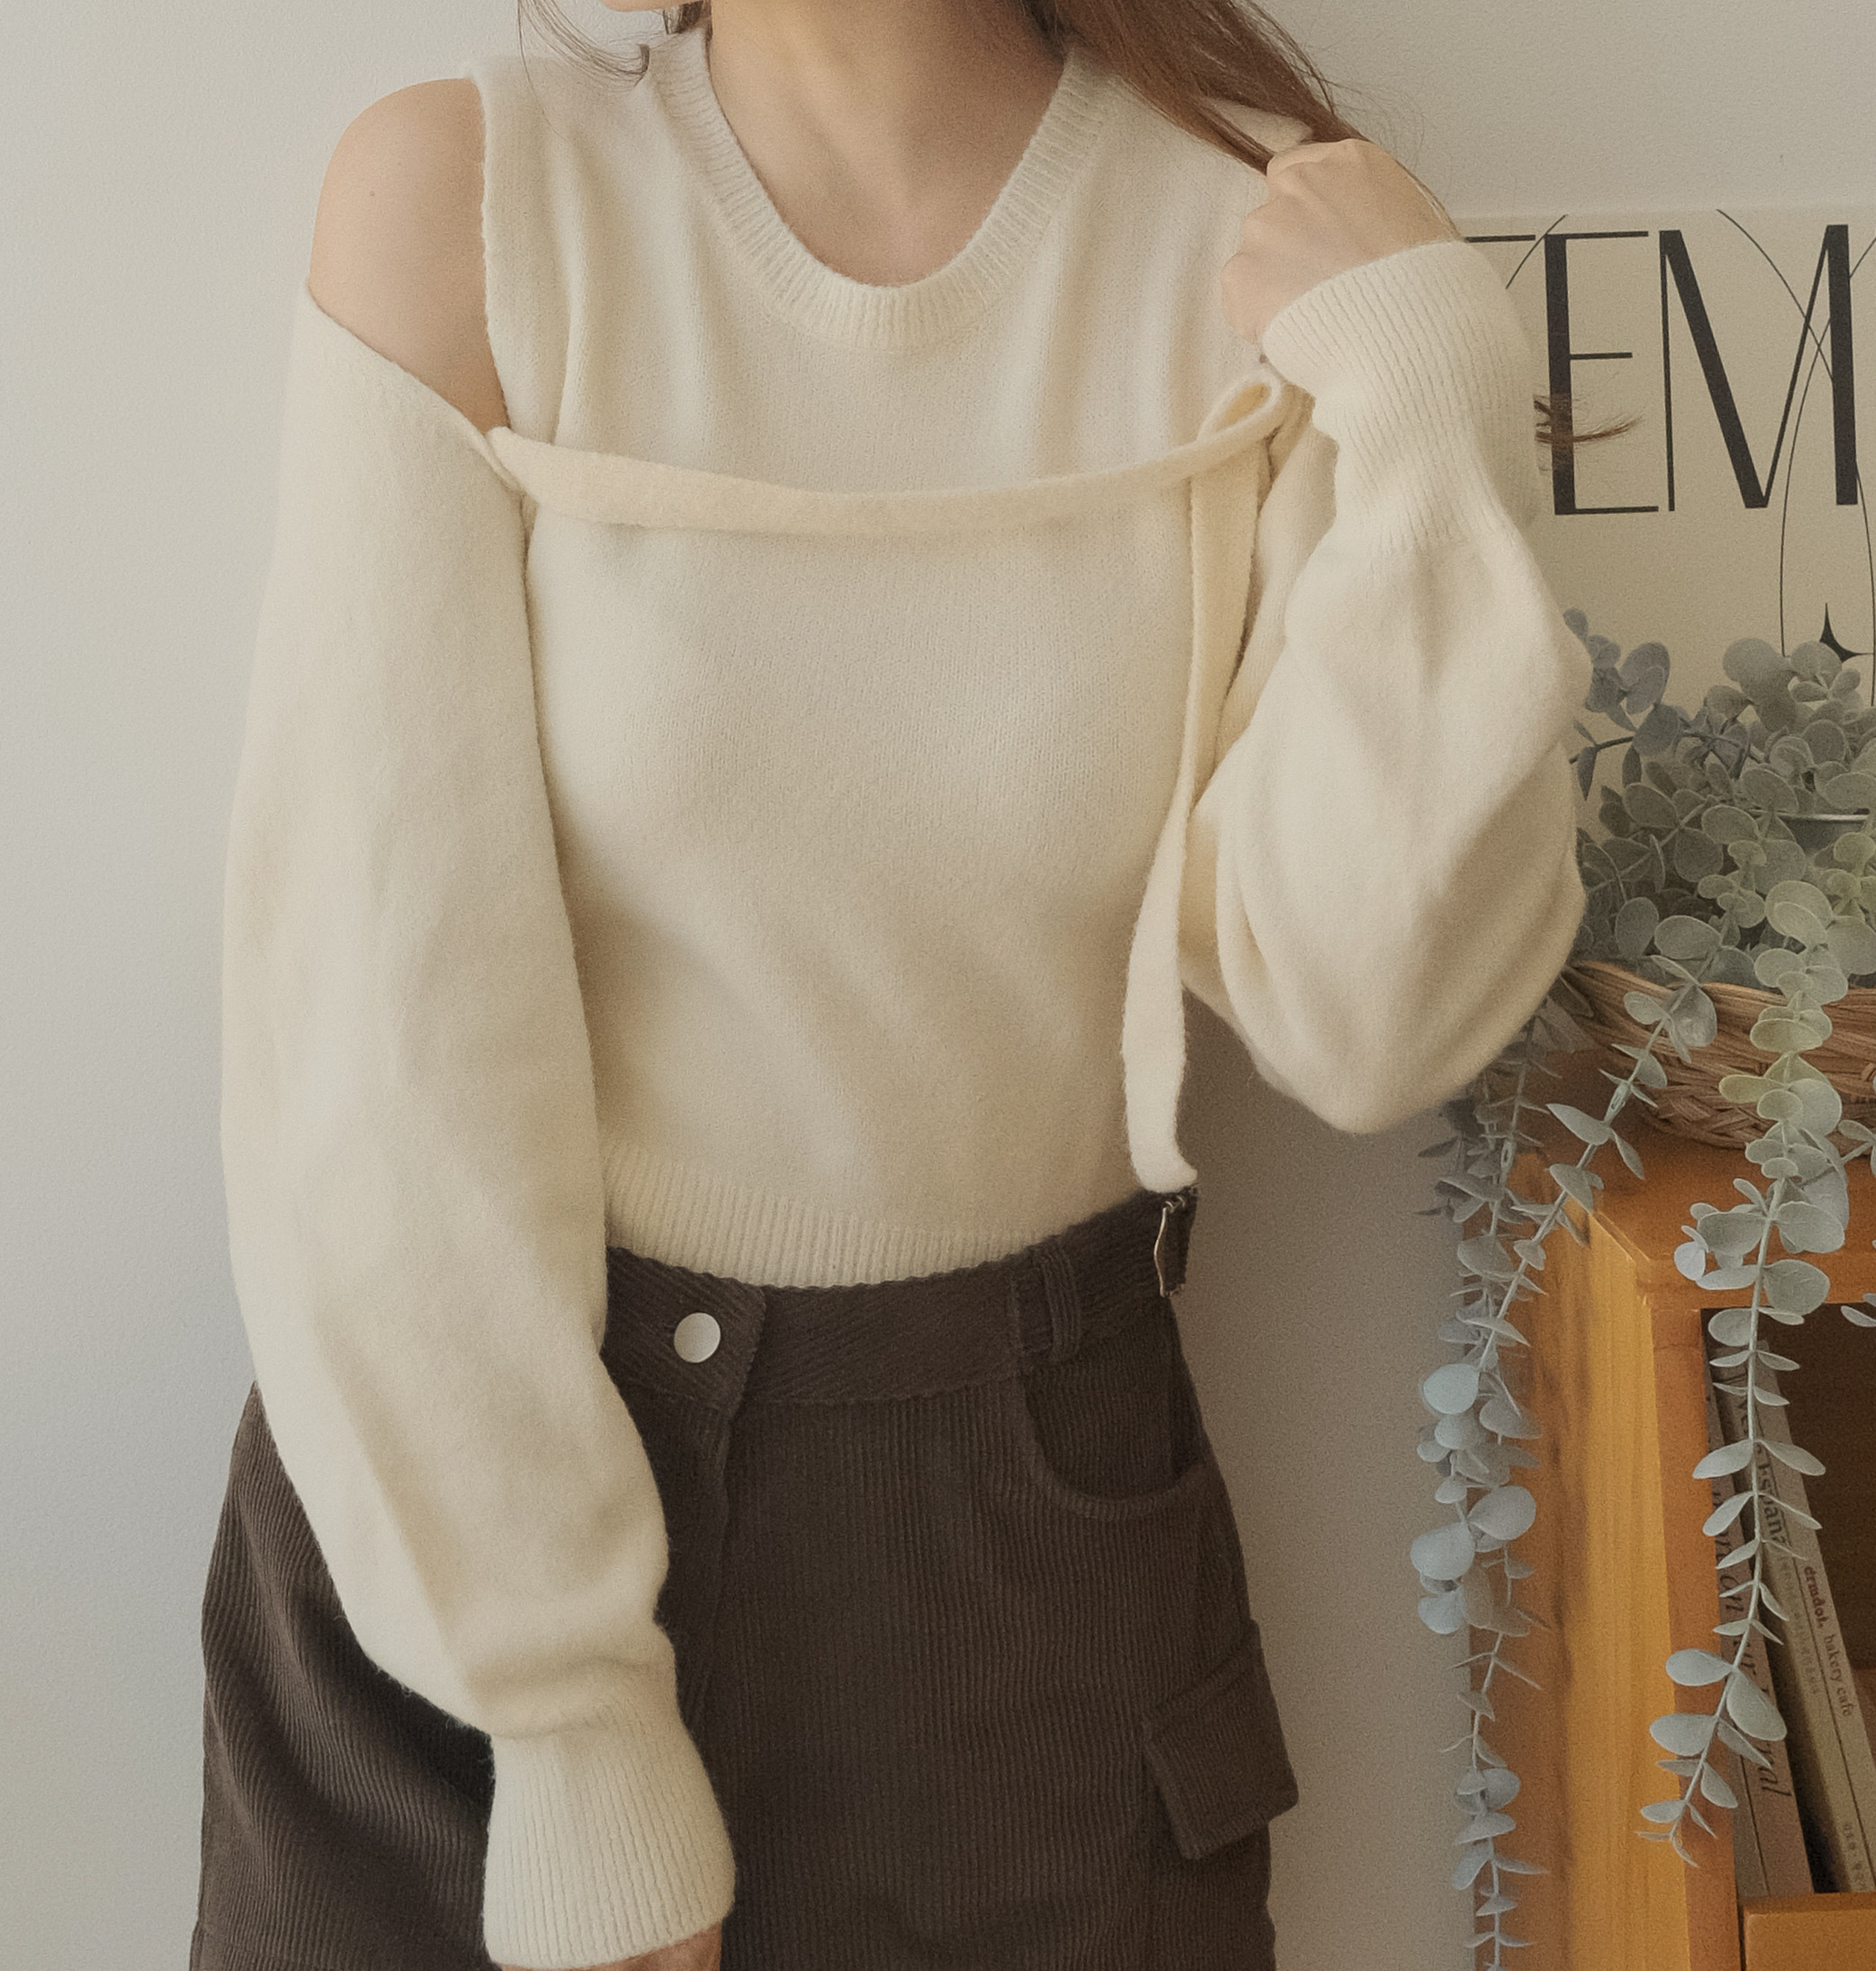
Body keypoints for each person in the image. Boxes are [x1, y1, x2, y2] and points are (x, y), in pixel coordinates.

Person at [191, 1, 1593, 1968]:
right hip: (462, 1528)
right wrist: (567, 1724)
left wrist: (1432, 399)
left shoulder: (1257, 241)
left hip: (1031, 1528)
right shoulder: (473, 204)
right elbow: (372, 1031)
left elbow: (1377, 1019)